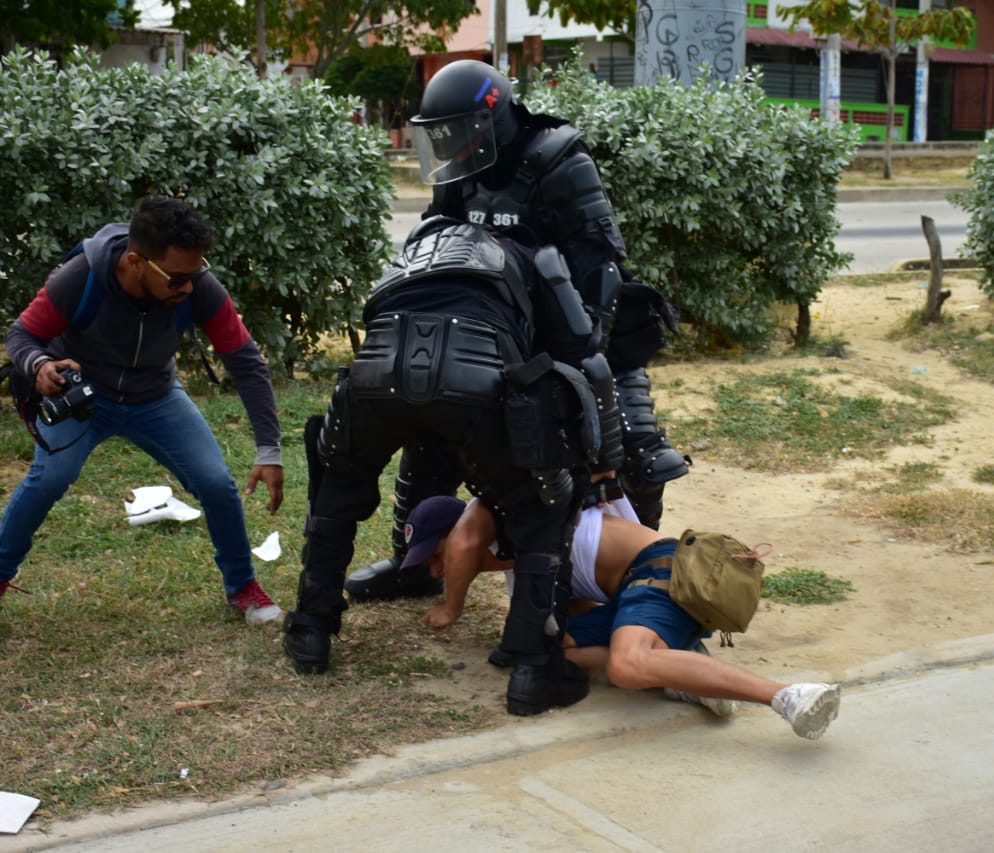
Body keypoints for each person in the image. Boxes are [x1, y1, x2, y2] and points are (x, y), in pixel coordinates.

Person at [345, 58, 688, 605]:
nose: (452, 145)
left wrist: (583, 349)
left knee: (635, 453)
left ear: (493, 118)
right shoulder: (462, 170)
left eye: (459, 131)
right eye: (443, 136)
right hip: (497, 326)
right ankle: (415, 563)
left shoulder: (558, 159)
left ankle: (638, 573)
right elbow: (435, 242)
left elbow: (599, 264)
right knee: (433, 418)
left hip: (575, 326)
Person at [284, 215, 625, 718]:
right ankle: (533, 663)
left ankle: (311, 631)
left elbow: (374, 308)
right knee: (543, 507)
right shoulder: (535, 256)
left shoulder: (422, 246)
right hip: (475, 374)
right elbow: (580, 346)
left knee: (336, 488)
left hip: (377, 367)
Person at [0, 196, 285, 624]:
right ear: (136, 262)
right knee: (49, 478)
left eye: (195, 273)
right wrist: (38, 364)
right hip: (85, 400)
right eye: (176, 278)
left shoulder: (198, 284)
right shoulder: (81, 277)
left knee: (215, 483)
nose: (188, 287)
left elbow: (245, 360)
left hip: (156, 396)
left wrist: (269, 449)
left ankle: (243, 586)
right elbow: (22, 334)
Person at [420, 495, 843, 740]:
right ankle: (684, 673)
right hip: (634, 592)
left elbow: (464, 541)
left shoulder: (513, 509)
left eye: (435, 557)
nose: (438, 571)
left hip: (660, 570)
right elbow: (576, 619)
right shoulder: (526, 564)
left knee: (627, 664)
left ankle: (787, 695)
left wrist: (450, 606)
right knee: (552, 649)